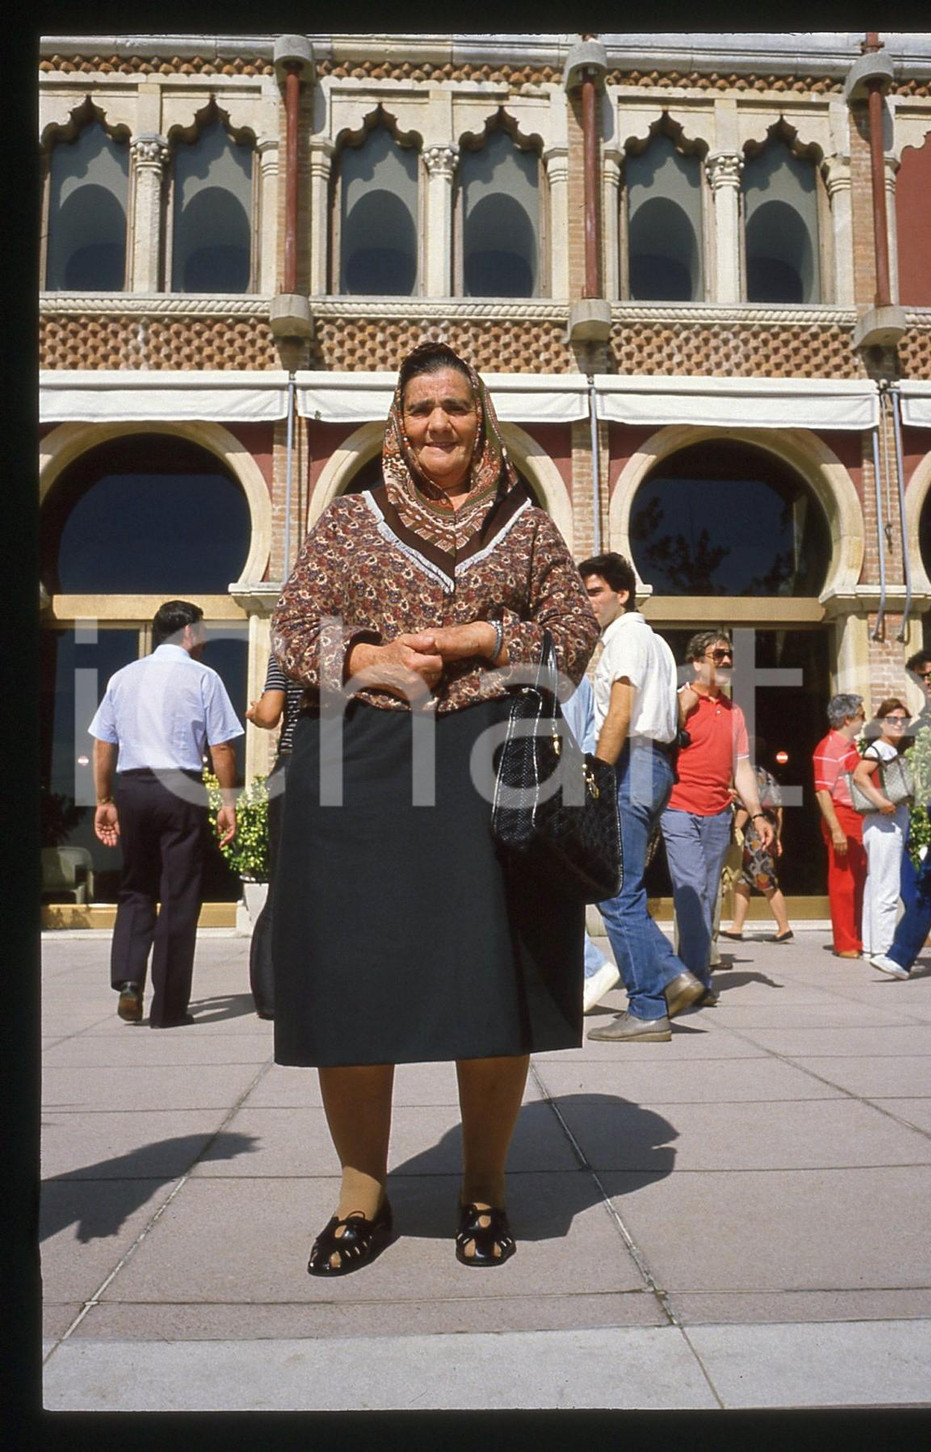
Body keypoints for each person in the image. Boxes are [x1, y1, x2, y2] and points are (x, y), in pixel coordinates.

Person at [269, 342, 599, 1275]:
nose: (437, 424)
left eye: (454, 405)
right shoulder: (347, 520)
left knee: (488, 981)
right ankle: (360, 1196)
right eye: (419, 409)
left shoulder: (528, 526)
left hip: (495, 775)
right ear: (397, 420)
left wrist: (485, 634)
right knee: (352, 983)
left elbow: (574, 635)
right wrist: (363, 659)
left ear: (480, 414)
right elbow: (293, 628)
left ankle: (483, 1188)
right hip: (363, 767)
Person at [89, 600, 243, 1028]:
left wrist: (105, 800)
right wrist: (227, 802)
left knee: (136, 887)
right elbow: (223, 748)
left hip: (134, 787)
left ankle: (129, 984)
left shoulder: (124, 678)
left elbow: (103, 745)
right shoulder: (204, 678)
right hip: (181, 788)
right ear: (190, 633)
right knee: (179, 894)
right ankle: (169, 1008)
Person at [575, 553, 702, 1043]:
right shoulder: (656, 642)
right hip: (655, 765)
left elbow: (621, 710)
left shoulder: (625, 636)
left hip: (631, 763)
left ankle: (647, 1006)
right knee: (624, 883)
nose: (588, 604)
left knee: (616, 889)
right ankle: (669, 976)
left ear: (622, 593)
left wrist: (598, 774)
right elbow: (669, 711)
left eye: (594, 592)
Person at [661, 632, 774, 997]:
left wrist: (757, 814)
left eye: (730, 656)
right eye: (718, 654)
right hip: (678, 808)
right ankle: (691, 979)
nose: (726, 661)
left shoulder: (734, 712)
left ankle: (695, 979)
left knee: (708, 896)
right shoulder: (679, 701)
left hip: (717, 814)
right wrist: (686, 702)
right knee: (691, 889)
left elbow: (741, 767)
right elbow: (659, 738)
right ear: (696, 661)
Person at [870, 655, 931, 980]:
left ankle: (899, 956)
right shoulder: (927, 714)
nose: (927, 681)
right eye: (920, 677)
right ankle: (899, 957)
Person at [244, 655, 304, 1019]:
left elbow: (268, 714)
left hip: (292, 765)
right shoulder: (365, 640)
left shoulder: (289, 647)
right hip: (343, 764)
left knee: (280, 886)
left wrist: (254, 712)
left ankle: (269, 999)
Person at [560, 674, 622, 1013]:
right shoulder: (582, 677)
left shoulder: (540, 666)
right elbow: (587, 735)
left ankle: (590, 965)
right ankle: (583, 968)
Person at [852, 698, 912, 961]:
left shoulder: (891, 748)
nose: (898, 724)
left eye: (902, 720)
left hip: (883, 824)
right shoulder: (879, 748)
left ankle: (873, 946)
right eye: (892, 719)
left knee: (875, 884)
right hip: (884, 824)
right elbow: (859, 775)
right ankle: (885, 947)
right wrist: (882, 802)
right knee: (886, 886)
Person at [812, 694, 867, 958]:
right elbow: (823, 792)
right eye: (861, 714)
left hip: (860, 816)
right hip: (842, 815)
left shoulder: (852, 746)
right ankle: (846, 941)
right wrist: (836, 829)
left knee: (860, 879)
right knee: (843, 881)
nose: (864, 719)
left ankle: (859, 936)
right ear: (847, 719)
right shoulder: (828, 747)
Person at [721, 741, 792, 943]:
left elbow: (744, 808)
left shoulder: (747, 776)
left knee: (765, 880)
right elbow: (779, 808)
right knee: (742, 881)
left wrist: (732, 831)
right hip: (766, 833)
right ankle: (737, 926)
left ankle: (784, 926)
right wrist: (777, 835)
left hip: (753, 837)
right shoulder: (766, 775)